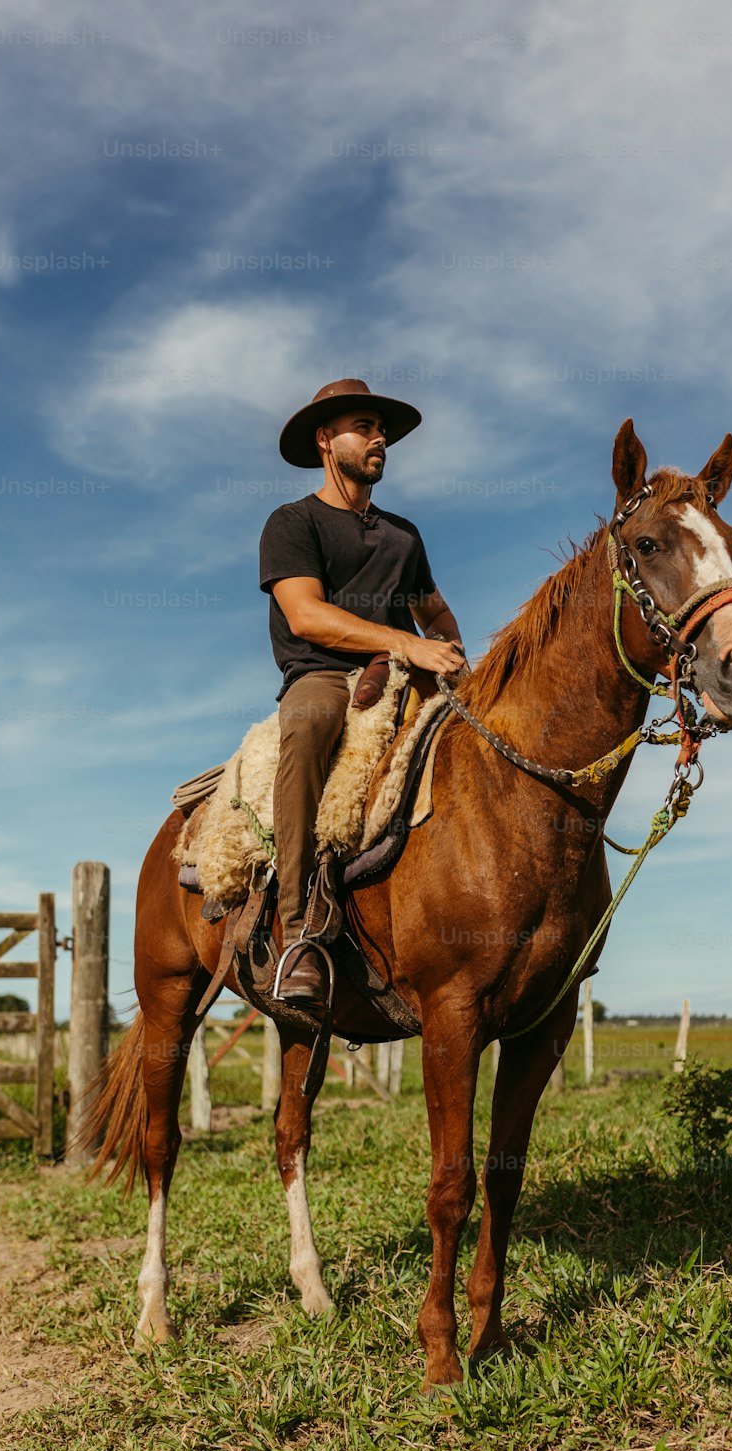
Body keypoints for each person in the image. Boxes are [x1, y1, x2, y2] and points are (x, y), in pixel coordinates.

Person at [261, 379, 466, 1004]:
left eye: (382, 430)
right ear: (326, 440)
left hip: (406, 672)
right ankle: (295, 929)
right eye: (364, 426)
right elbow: (306, 616)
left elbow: (434, 611)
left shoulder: (404, 535)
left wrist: (454, 653)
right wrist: (404, 643)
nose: (379, 439)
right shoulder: (293, 522)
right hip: (324, 672)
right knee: (309, 726)